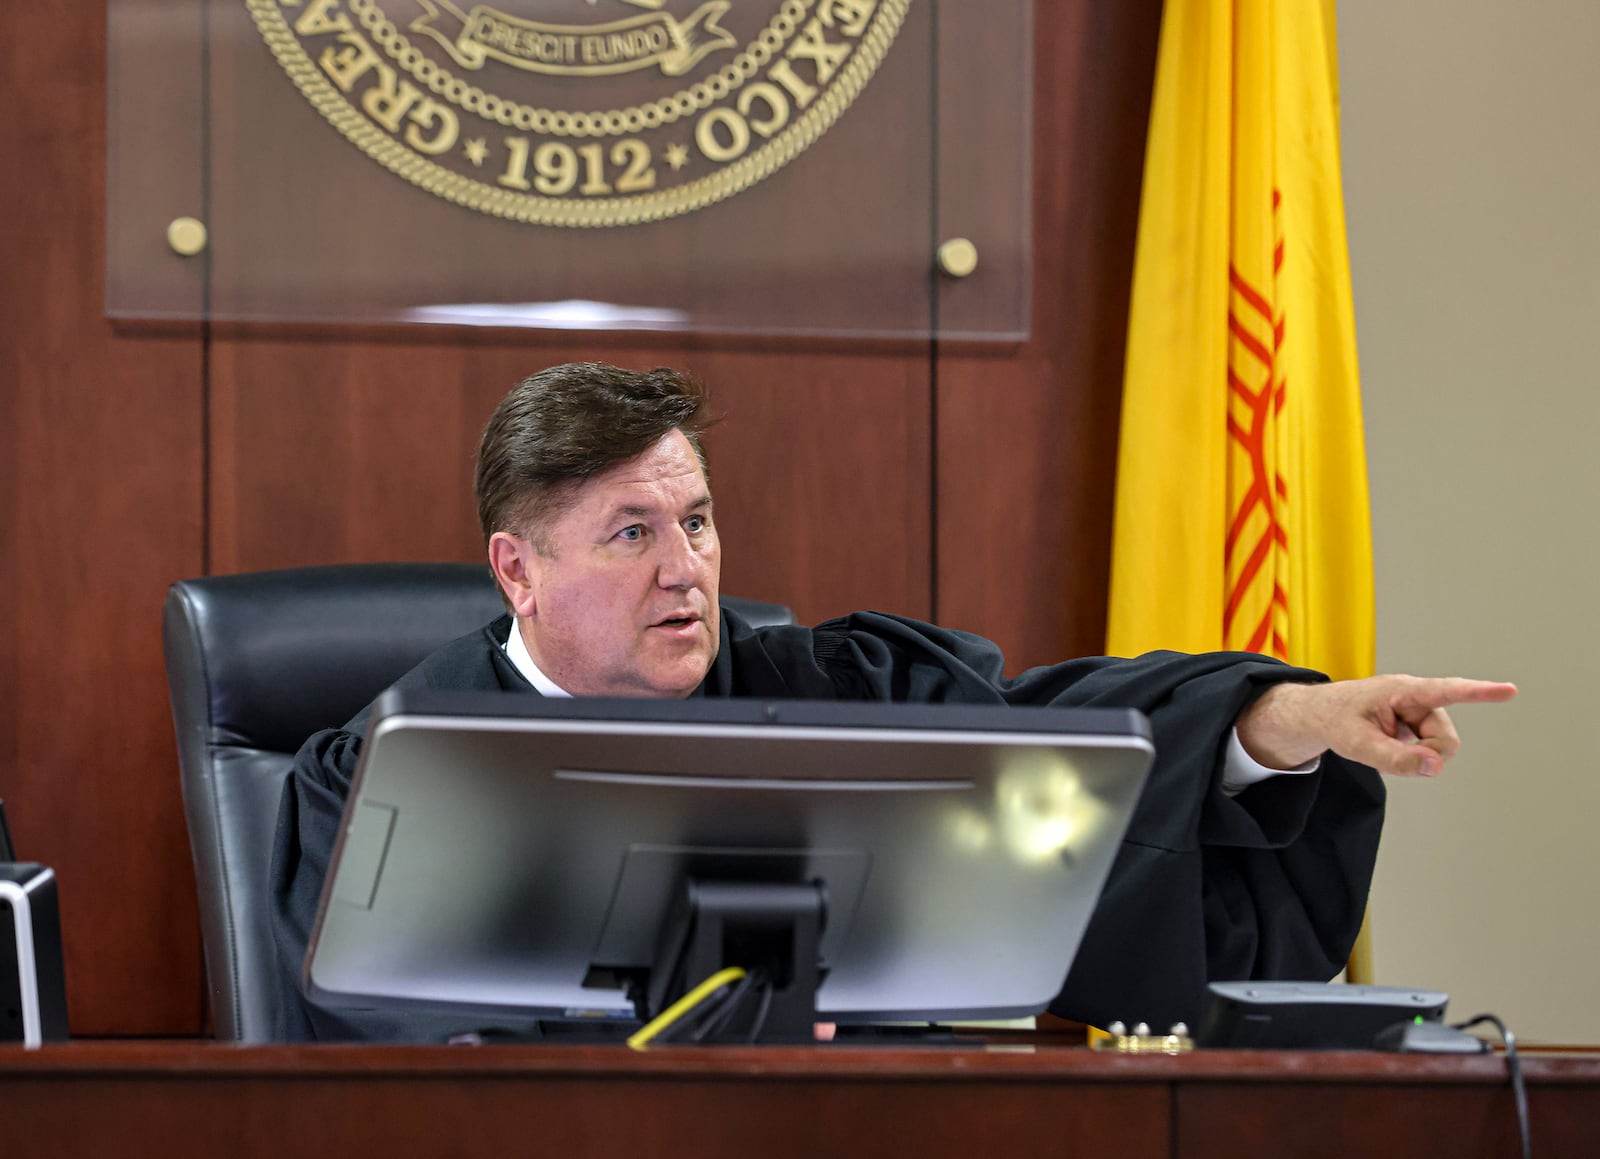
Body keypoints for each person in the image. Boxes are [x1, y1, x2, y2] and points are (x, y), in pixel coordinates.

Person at [270, 362, 1516, 1042]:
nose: (686, 567)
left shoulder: (819, 695)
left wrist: (1275, 727)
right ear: (516, 571)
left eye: (697, 521)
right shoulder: (390, 767)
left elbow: (1045, 738)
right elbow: (397, 1044)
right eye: (631, 532)